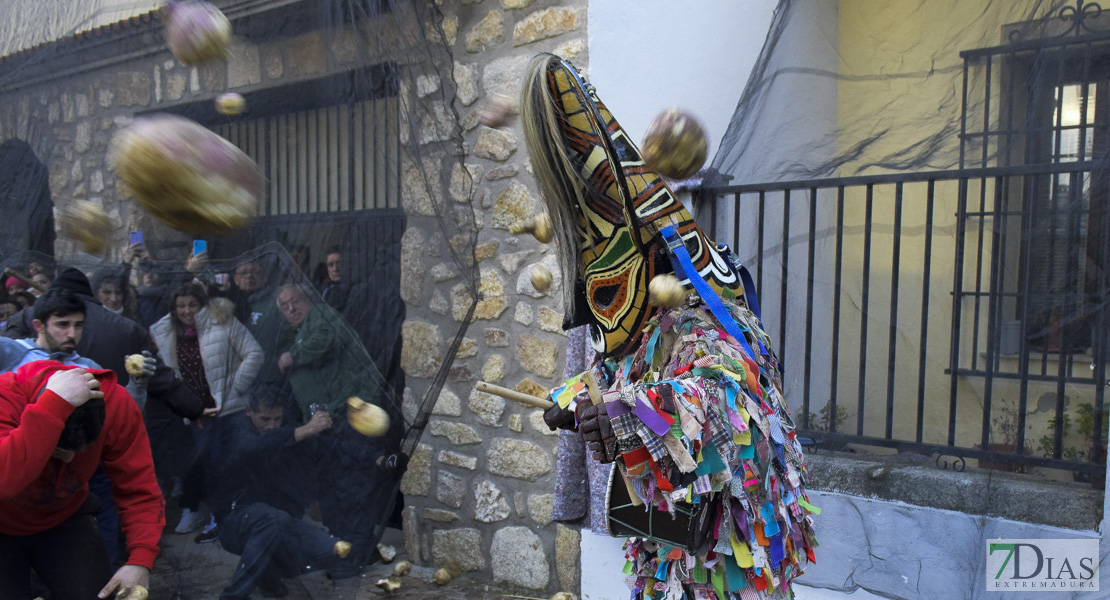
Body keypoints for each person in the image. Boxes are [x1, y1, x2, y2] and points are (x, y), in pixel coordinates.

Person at [0, 362, 165, 599]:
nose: (69, 459)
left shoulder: (115, 404)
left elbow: (140, 487)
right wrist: (52, 406)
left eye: (81, 451)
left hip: (65, 516)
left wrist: (141, 559)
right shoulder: (5, 397)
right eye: (58, 451)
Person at [274, 283, 400, 578]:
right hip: (330, 419)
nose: (292, 308)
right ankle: (353, 549)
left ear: (308, 300)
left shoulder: (321, 315)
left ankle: (353, 554)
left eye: (296, 301)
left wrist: (292, 356)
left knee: (351, 485)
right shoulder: (301, 328)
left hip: (349, 414)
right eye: (284, 306)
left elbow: (323, 340)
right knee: (337, 485)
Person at [206, 385, 354, 599]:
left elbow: (324, 450)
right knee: (270, 519)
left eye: (277, 419)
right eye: (265, 419)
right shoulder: (235, 429)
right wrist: (304, 430)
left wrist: (376, 458)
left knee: (332, 548)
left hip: (279, 520)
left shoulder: (285, 429)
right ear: (249, 411)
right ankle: (234, 596)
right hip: (236, 521)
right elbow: (253, 449)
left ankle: (268, 575)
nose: (273, 426)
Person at [149, 282, 263, 537]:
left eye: (192, 304)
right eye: (181, 305)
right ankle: (217, 518)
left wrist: (235, 389)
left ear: (202, 304)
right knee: (208, 465)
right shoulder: (165, 332)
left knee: (237, 462)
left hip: (231, 409)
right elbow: (170, 376)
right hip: (198, 413)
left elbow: (254, 353)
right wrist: (189, 409)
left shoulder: (222, 322)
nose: (186, 310)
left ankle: (243, 517)